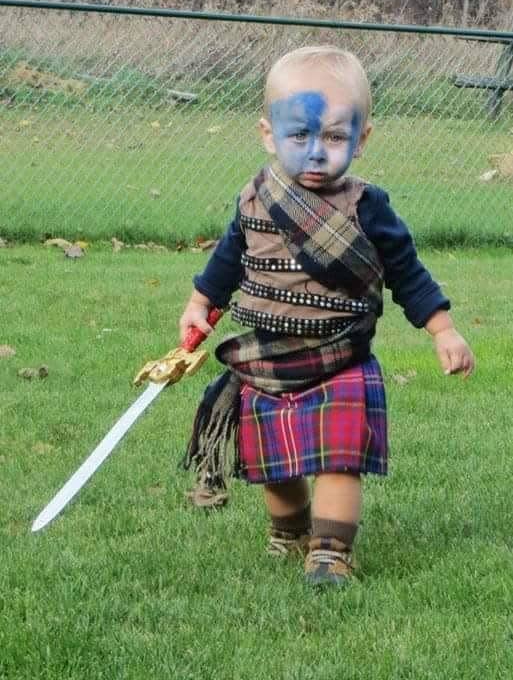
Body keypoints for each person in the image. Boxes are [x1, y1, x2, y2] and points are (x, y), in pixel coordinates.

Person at [179, 46, 475, 587]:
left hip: (342, 360)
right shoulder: (255, 200)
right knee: (275, 464)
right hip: (269, 359)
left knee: (338, 460)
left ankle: (331, 551)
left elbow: (407, 272)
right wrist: (200, 306)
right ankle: (290, 531)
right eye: (299, 136)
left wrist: (443, 329)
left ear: (362, 139)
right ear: (268, 135)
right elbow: (226, 262)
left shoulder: (368, 206)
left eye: (335, 137)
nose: (316, 152)